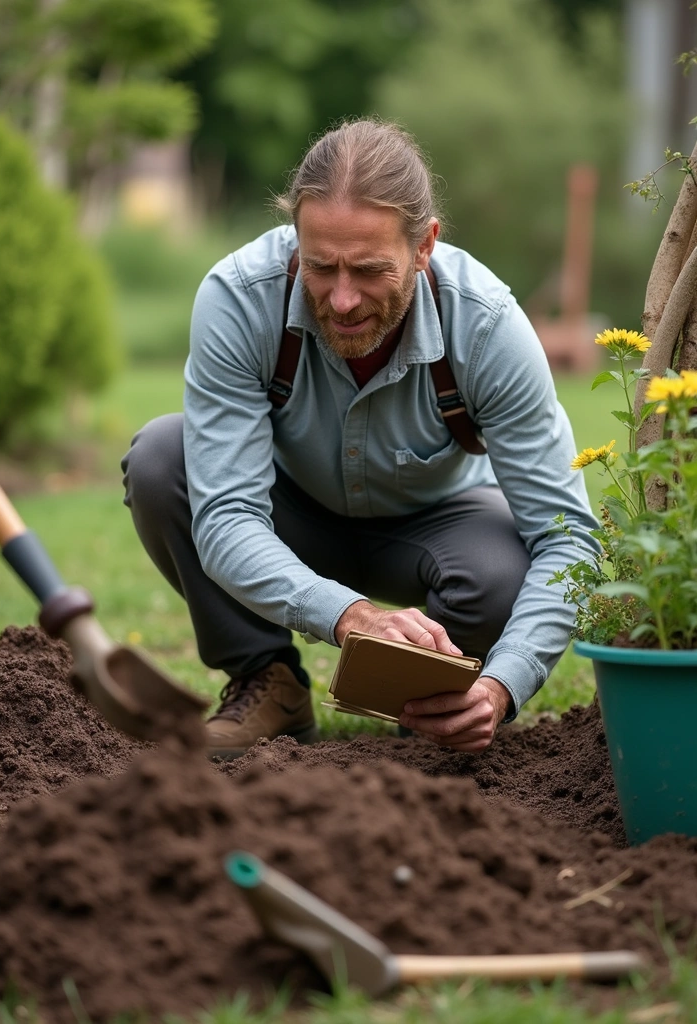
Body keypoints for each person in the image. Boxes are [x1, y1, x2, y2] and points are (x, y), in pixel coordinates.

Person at [122, 119, 598, 760]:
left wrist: (504, 684)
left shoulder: (486, 327)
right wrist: (351, 616)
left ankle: (435, 710)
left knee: (501, 572)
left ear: (425, 244)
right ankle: (268, 680)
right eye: (321, 267)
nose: (342, 300)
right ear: (297, 238)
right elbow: (228, 516)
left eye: (370, 270)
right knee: (161, 459)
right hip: (289, 512)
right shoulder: (239, 299)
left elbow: (567, 539)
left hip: (438, 528)